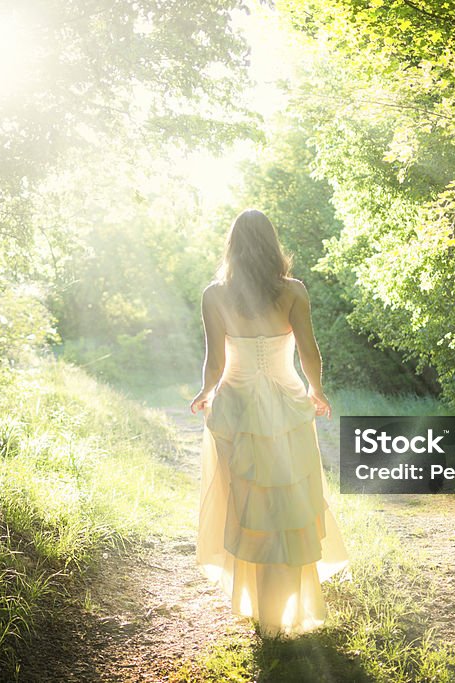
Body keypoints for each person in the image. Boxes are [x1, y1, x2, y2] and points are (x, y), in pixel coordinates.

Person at [190, 208, 349, 637]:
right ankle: (286, 611)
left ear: (233, 246)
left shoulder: (214, 294)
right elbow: (309, 352)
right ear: (272, 244)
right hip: (285, 406)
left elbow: (216, 361)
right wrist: (316, 391)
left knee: (249, 507)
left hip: (238, 408)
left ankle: (264, 613)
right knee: (290, 506)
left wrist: (206, 393)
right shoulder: (293, 291)